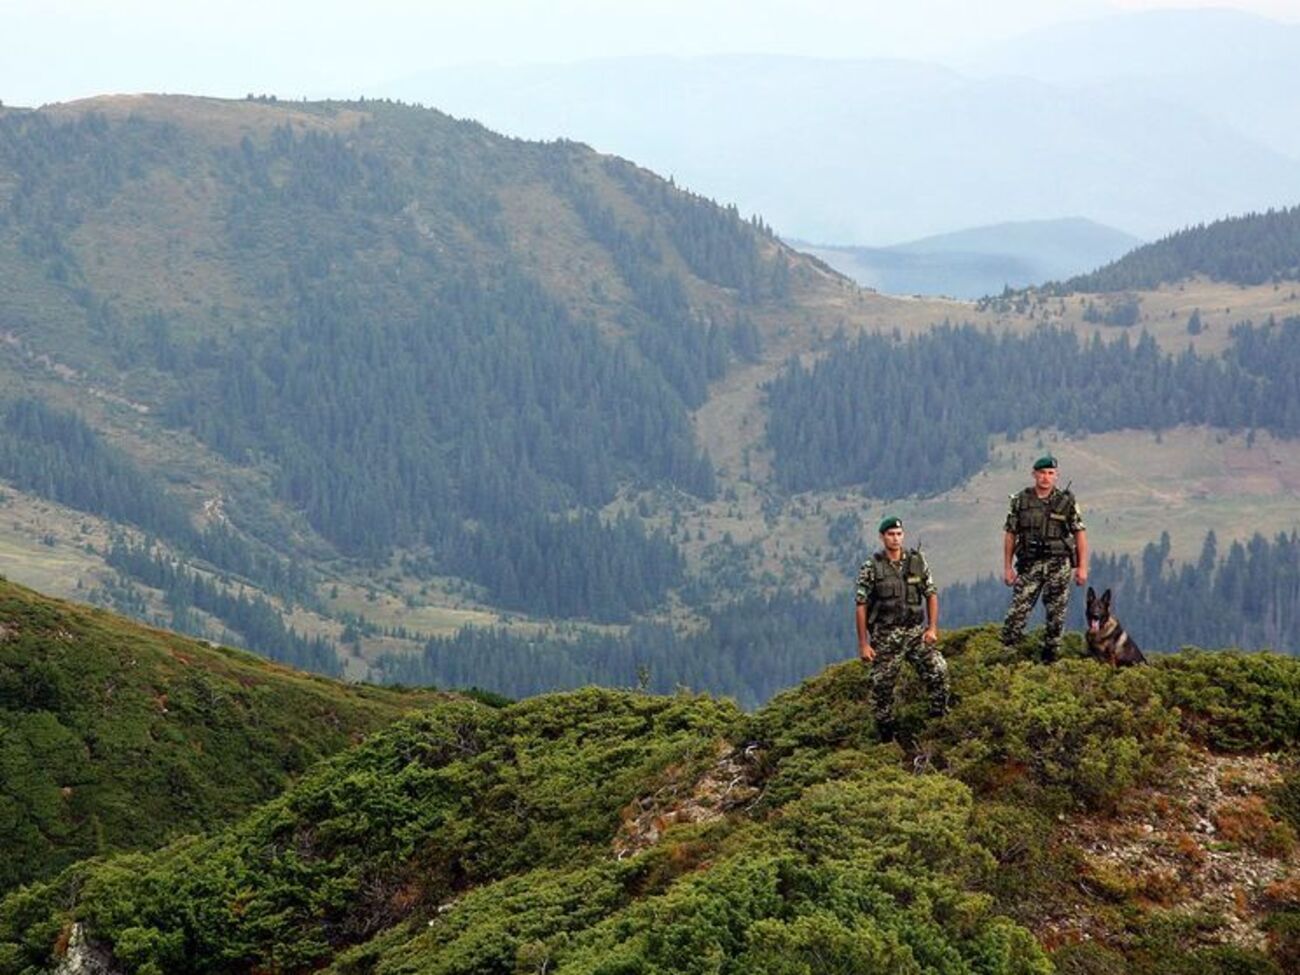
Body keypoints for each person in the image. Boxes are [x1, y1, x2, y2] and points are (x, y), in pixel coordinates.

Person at [855, 516, 949, 742]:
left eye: (898, 534)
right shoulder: (872, 567)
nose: (895, 539)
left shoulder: (916, 562)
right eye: (890, 535)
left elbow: (931, 594)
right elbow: (861, 605)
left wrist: (932, 628)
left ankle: (938, 723)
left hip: (916, 632)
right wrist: (864, 644)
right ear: (882, 537)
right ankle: (886, 739)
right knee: (882, 689)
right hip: (886, 636)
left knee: (939, 670)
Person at [1001, 455, 1088, 663]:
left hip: (1059, 566)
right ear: (1034, 474)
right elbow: (1010, 534)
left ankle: (1051, 663)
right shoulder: (1021, 501)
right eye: (1042, 473)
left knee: (1056, 619)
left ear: (1056, 476)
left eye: (1050, 473)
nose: (1046, 477)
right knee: (1016, 616)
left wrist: (1082, 567)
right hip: (1030, 565)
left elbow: (1079, 534)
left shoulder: (1066, 502)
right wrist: (1007, 567)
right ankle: (1009, 662)